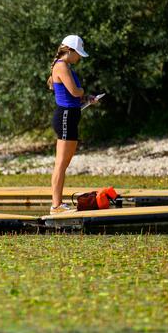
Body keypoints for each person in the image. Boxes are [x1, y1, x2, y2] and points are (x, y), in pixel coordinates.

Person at [47, 34, 98, 212]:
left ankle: (58, 203)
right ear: (69, 50)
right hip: (65, 117)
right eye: (78, 54)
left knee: (64, 163)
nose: (79, 58)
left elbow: (75, 95)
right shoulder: (61, 67)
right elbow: (75, 92)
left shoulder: (66, 66)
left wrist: (87, 98)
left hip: (71, 115)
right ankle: (56, 205)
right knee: (61, 163)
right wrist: (82, 91)